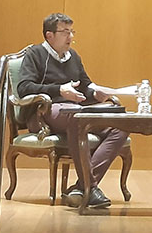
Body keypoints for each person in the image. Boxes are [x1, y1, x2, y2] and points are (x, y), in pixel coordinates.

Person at [17, 13, 129, 209]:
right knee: (77, 119)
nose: (70, 37)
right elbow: (24, 88)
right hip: (43, 113)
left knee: (120, 126)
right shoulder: (35, 54)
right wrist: (59, 90)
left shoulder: (74, 57)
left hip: (74, 111)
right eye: (65, 32)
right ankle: (90, 187)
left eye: (71, 31)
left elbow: (85, 86)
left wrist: (97, 94)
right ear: (49, 35)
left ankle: (82, 187)